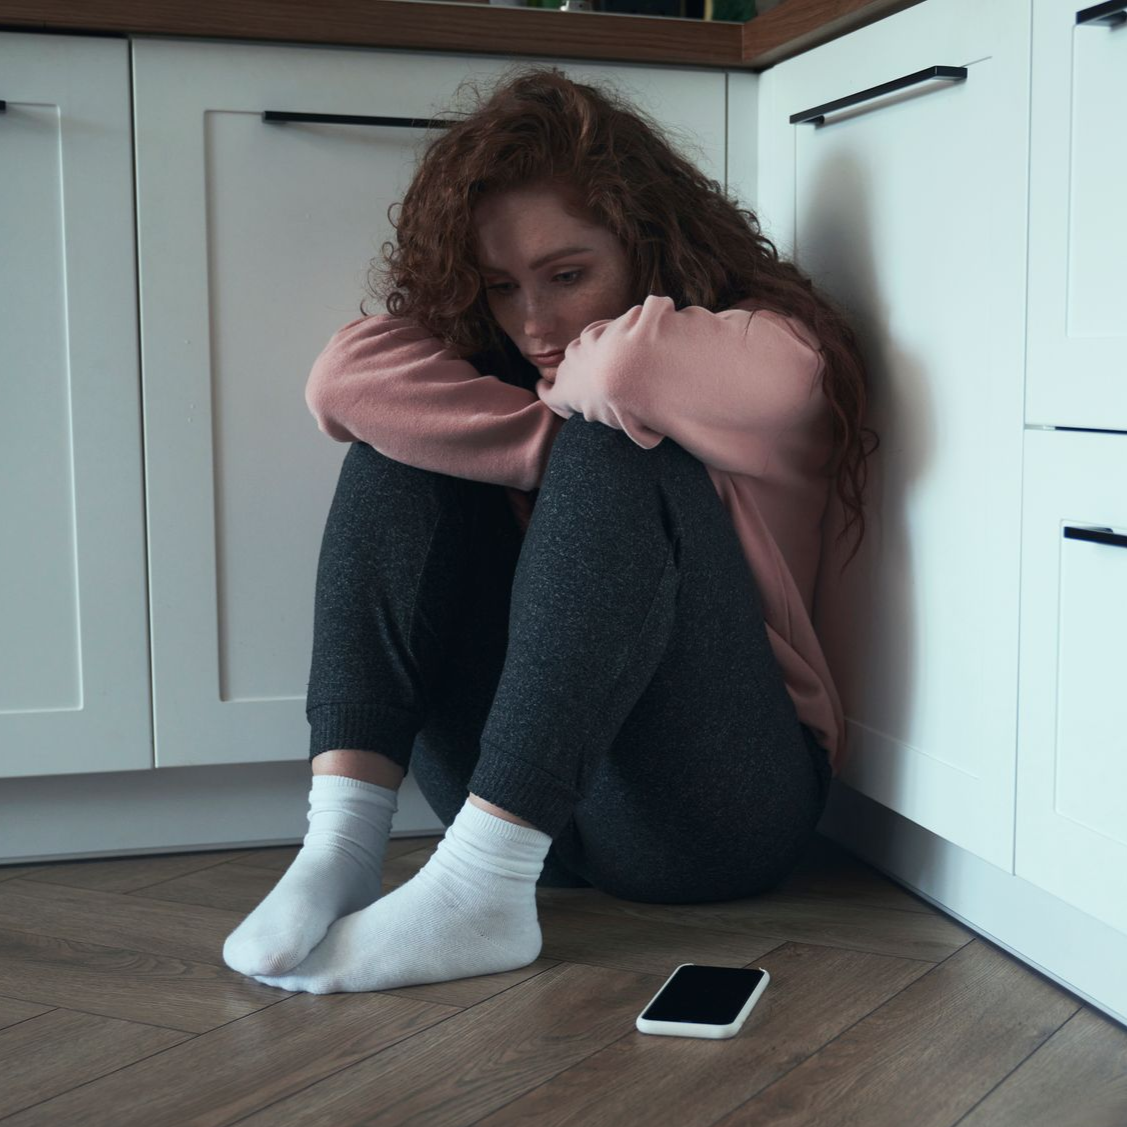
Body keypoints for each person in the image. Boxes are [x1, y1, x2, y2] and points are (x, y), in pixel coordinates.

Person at [223, 65, 878, 995]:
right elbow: (344, 379)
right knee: (397, 447)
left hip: (715, 810)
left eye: (568, 275)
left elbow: (624, 378)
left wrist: (560, 446)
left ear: (648, 244)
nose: (532, 322)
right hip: (532, 806)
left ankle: (478, 885)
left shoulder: (767, 349)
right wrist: (541, 443)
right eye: (499, 287)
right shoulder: (527, 366)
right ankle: (343, 842)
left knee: (619, 442)